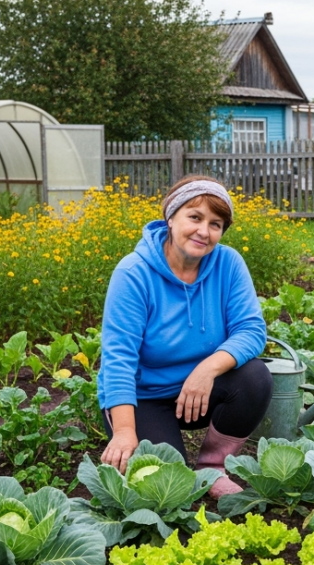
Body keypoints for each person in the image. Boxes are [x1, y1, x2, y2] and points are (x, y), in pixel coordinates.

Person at [96, 175, 272, 498]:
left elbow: (252, 330)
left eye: (216, 224)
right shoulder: (133, 274)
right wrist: (123, 431)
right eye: (195, 217)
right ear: (171, 217)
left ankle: (212, 465)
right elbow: (119, 359)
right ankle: (157, 445)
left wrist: (207, 370)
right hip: (144, 397)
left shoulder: (228, 264)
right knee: (169, 483)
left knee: (255, 378)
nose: (204, 231)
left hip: (199, 392)